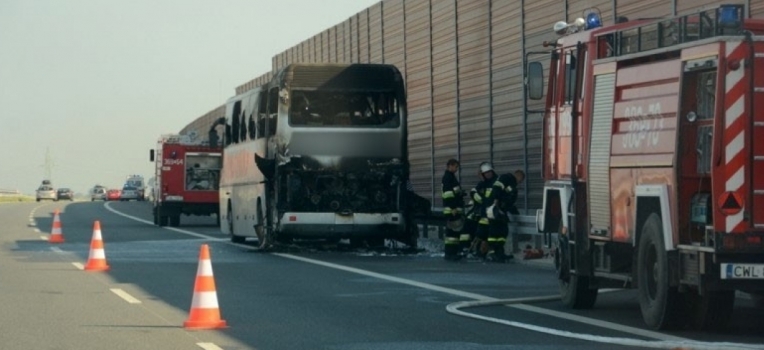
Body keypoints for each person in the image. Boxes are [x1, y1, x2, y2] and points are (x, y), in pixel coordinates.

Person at [475, 162, 525, 263]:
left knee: (502, 231)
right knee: (495, 231)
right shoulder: (507, 178)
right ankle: (493, 252)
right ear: (519, 176)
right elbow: (498, 189)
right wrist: (496, 200)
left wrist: (513, 211)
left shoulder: (512, 184)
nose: (521, 182)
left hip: (499, 210)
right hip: (493, 209)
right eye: (521, 179)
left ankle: (499, 253)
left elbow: (508, 201)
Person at [441, 159, 465, 261]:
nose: (456, 169)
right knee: (452, 234)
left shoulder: (450, 177)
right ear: (450, 166)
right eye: (455, 167)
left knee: (453, 233)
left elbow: (454, 192)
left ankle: (451, 253)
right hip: (452, 209)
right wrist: (453, 207)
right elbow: (448, 195)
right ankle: (451, 254)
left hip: (452, 208)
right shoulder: (448, 177)